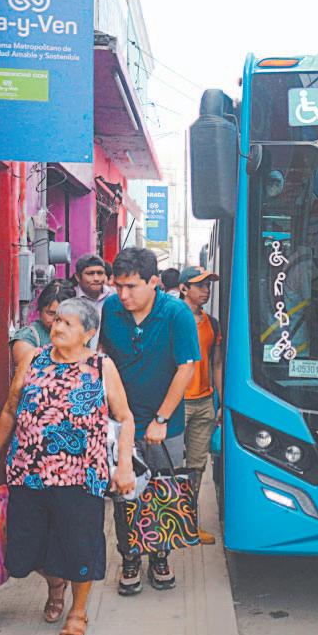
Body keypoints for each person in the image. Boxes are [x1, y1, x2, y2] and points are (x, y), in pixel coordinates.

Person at [0, 298, 136, 635]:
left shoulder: (101, 366)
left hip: (81, 477)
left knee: (80, 547)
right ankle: (55, 583)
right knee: (24, 551)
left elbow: (125, 418)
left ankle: (77, 612)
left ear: (88, 333)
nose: (58, 327)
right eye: (57, 320)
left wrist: (124, 465)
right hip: (28, 473)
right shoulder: (34, 359)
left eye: (68, 323)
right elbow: (10, 410)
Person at [99, 247, 199, 596]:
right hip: (120, 424)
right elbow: (102, 355)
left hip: (163, 424)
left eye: (131, 286)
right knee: (124, 493)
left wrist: (162, 418)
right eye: (118, 286)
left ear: (154, 282)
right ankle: (129, 557)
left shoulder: (176, 313)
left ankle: (159, 555)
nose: (123, 295)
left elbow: (186, 367)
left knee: (160, 490)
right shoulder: (111, 309)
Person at [179, 267, 224, 546]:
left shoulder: (212, 324)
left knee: (197, 466)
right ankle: (167, 522)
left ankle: (189, 523)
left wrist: (221, 400)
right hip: (176, 403)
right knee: (170, 466)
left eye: (207, 285)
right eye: (199, 285)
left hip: (204, 402)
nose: (205, 290)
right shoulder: (172, 319)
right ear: (184, 288)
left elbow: (216, 363)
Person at [9, 280, 75, 366]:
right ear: (40, 311)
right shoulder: (28, 336)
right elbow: (24, 366)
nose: (57, 320)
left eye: (64, 314)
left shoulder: (80, 333)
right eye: (51, 313)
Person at [73, 253, 114, 348]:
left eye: (100, 273)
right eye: (90, 274)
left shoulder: (114, 296)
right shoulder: (71, 298)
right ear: (78, 277)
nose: (96, 278)